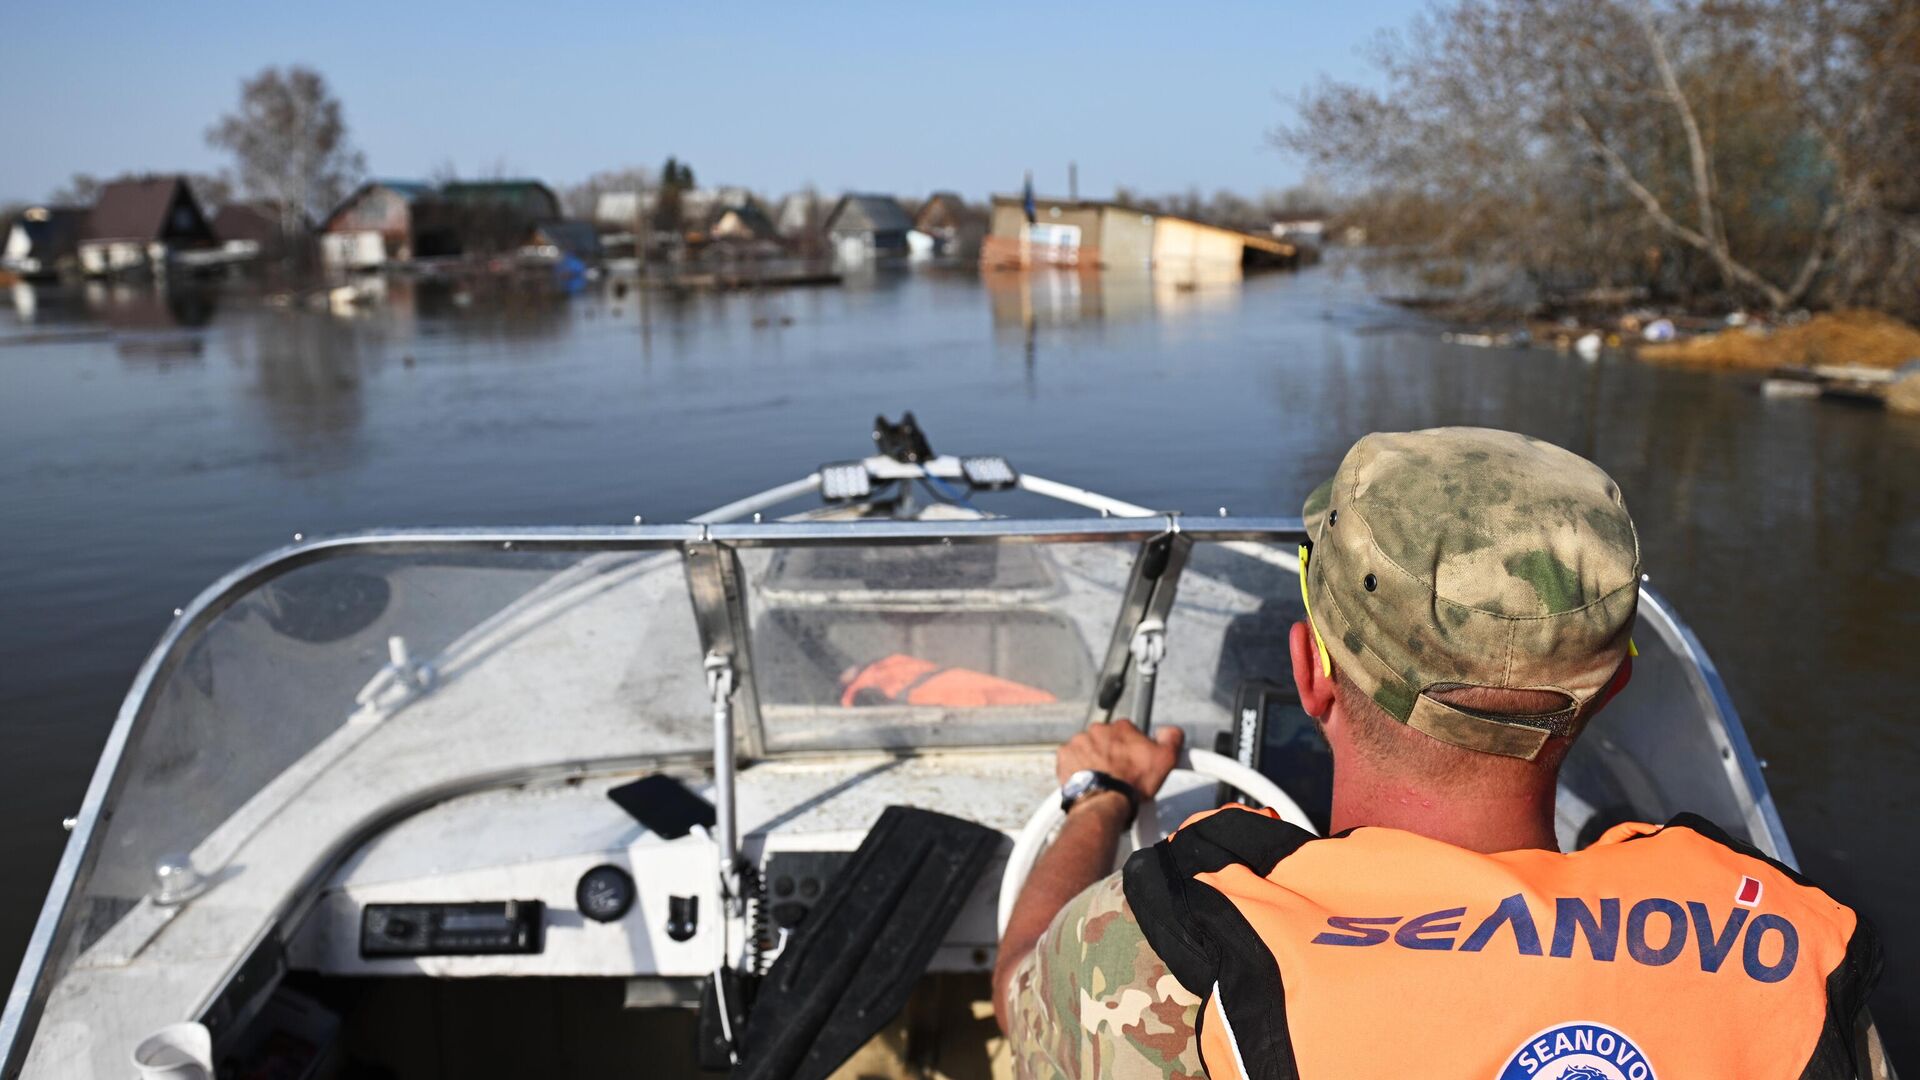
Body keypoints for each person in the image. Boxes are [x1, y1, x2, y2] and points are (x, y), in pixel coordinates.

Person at [994, 427, 1884, 1080]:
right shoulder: (1795, 952)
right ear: (1609, 695)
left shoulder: (1179, 944)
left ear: (1311, 671)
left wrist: (1102, 792)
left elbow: (1020, 995)